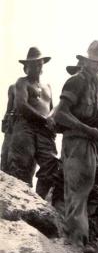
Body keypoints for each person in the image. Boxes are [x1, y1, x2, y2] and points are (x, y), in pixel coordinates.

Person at [54, 40, 98, 248]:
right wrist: (87, 129)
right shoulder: (76, 81)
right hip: (78, 144)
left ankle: (94, 232)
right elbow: (60, 114)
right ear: (85, 60)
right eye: (94, 62)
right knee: (77, 199)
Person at [7, 47, 59, 198]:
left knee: (51, 166)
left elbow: (52, 111)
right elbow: (21, 106)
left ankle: (38, 201)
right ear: (26, 67)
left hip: (44, 132)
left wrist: (53, 125)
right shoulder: (21, 83)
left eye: (40, 63)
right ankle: (21, 203)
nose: (37, 66)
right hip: (25, 127)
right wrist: (45, 120)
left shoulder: (48, 87)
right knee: (22, 167)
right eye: (33, 64)